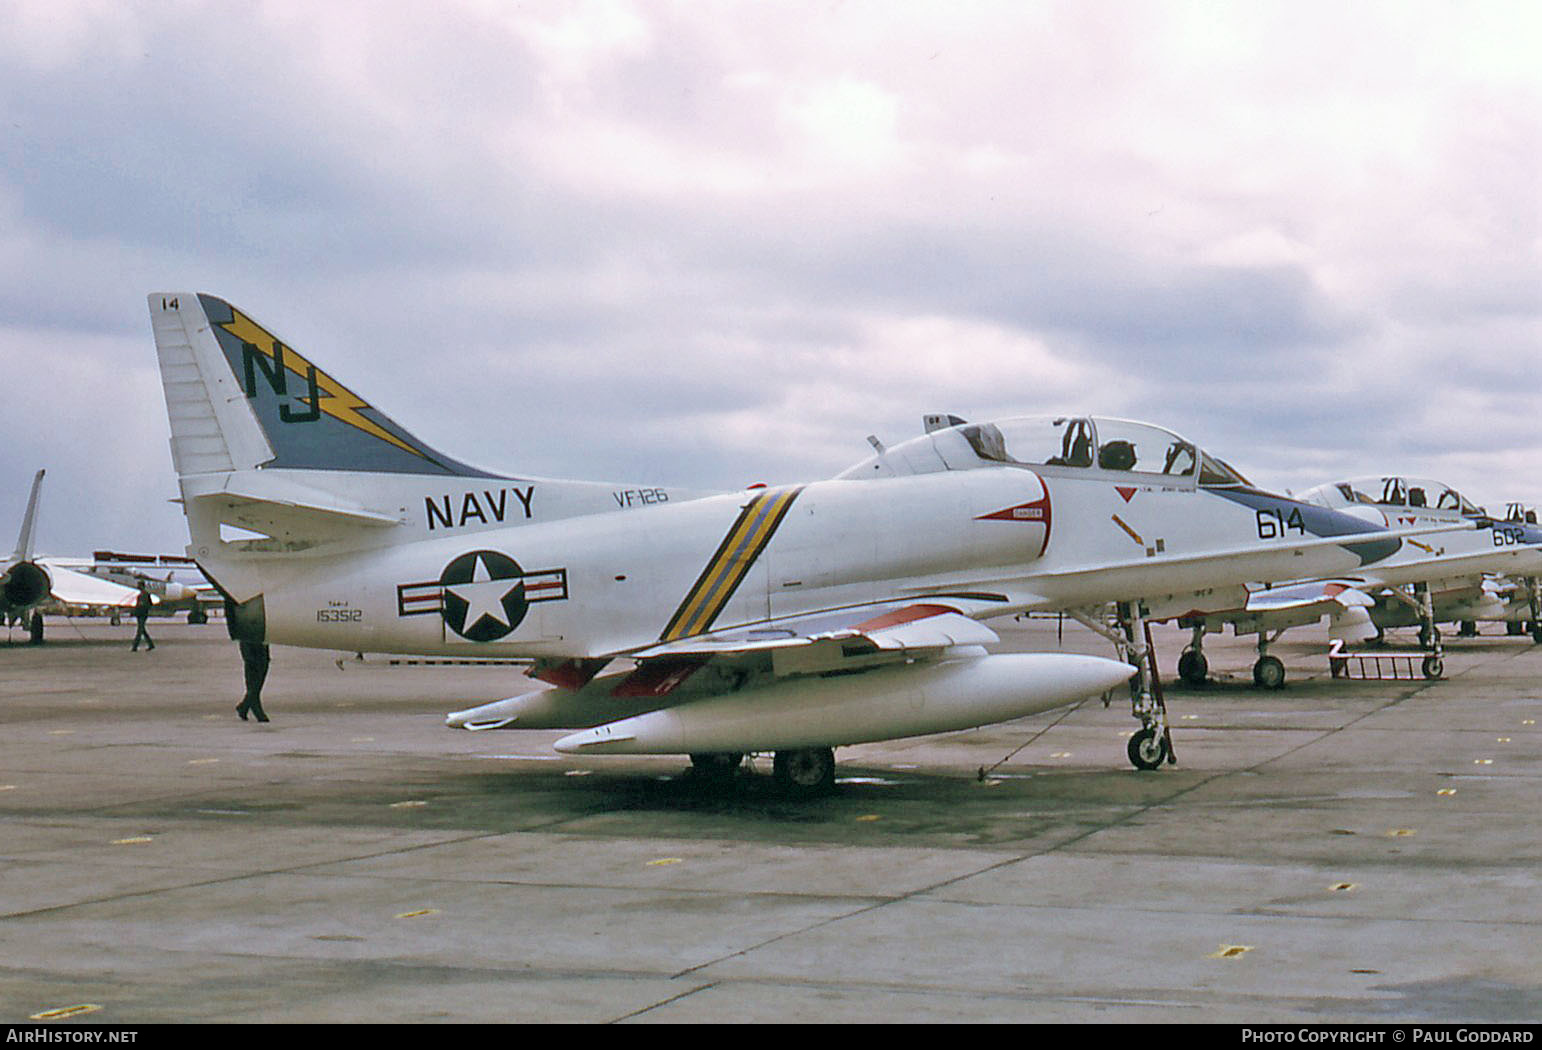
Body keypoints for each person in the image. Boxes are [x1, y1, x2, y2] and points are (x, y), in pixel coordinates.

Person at [236, 640, 270, 722]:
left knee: (258, 678)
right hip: (249, 641)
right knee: (254, 681)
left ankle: (244, 706)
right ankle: (255, 709)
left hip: (261, 641)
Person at [130, 583, 154, 651]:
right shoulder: (139, 595)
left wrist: (143, 608)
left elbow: (149, 604)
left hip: (143, 614)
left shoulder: (145, 595)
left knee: (139, 631)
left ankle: (135, 646)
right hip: (140, 614)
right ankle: (151, 644)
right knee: (142, 630)